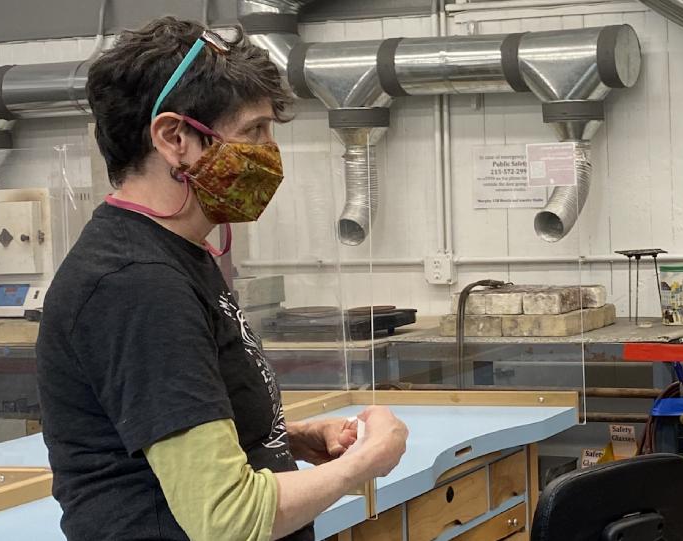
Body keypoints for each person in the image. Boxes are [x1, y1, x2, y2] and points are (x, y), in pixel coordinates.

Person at [36, 17, 409, 541]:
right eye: (253, 132)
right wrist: (364, 463)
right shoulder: (137, 284)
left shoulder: (174, 254)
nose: (268, 154)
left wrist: (288, 439)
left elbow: (167, 431)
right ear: (173, 138)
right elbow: (228, 518)